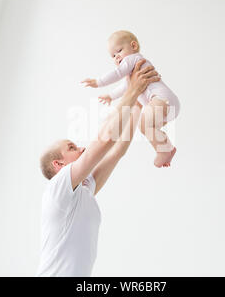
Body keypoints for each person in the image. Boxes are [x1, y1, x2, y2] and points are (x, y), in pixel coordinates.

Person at [37, 60, 160, 277]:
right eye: (72, 147)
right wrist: (132, 90)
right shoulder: (59, 188)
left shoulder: (83, 190)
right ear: (59, 165)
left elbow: (117, 151)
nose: (81, 147)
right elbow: (104, 141)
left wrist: (138, 103)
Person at [81, 30, 180, 167]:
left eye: (119, 51)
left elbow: (117, 73)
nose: (117, 57)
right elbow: (124, 88)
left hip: (161, 99)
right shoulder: (132, 75)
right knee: (149, 128)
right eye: (113, 56)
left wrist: (98, 82)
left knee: (144, 125)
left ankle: (164, 150)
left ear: (133, 46)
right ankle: (166, 147)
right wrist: (110, 96)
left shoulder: (134, 59)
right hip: (166, 105)